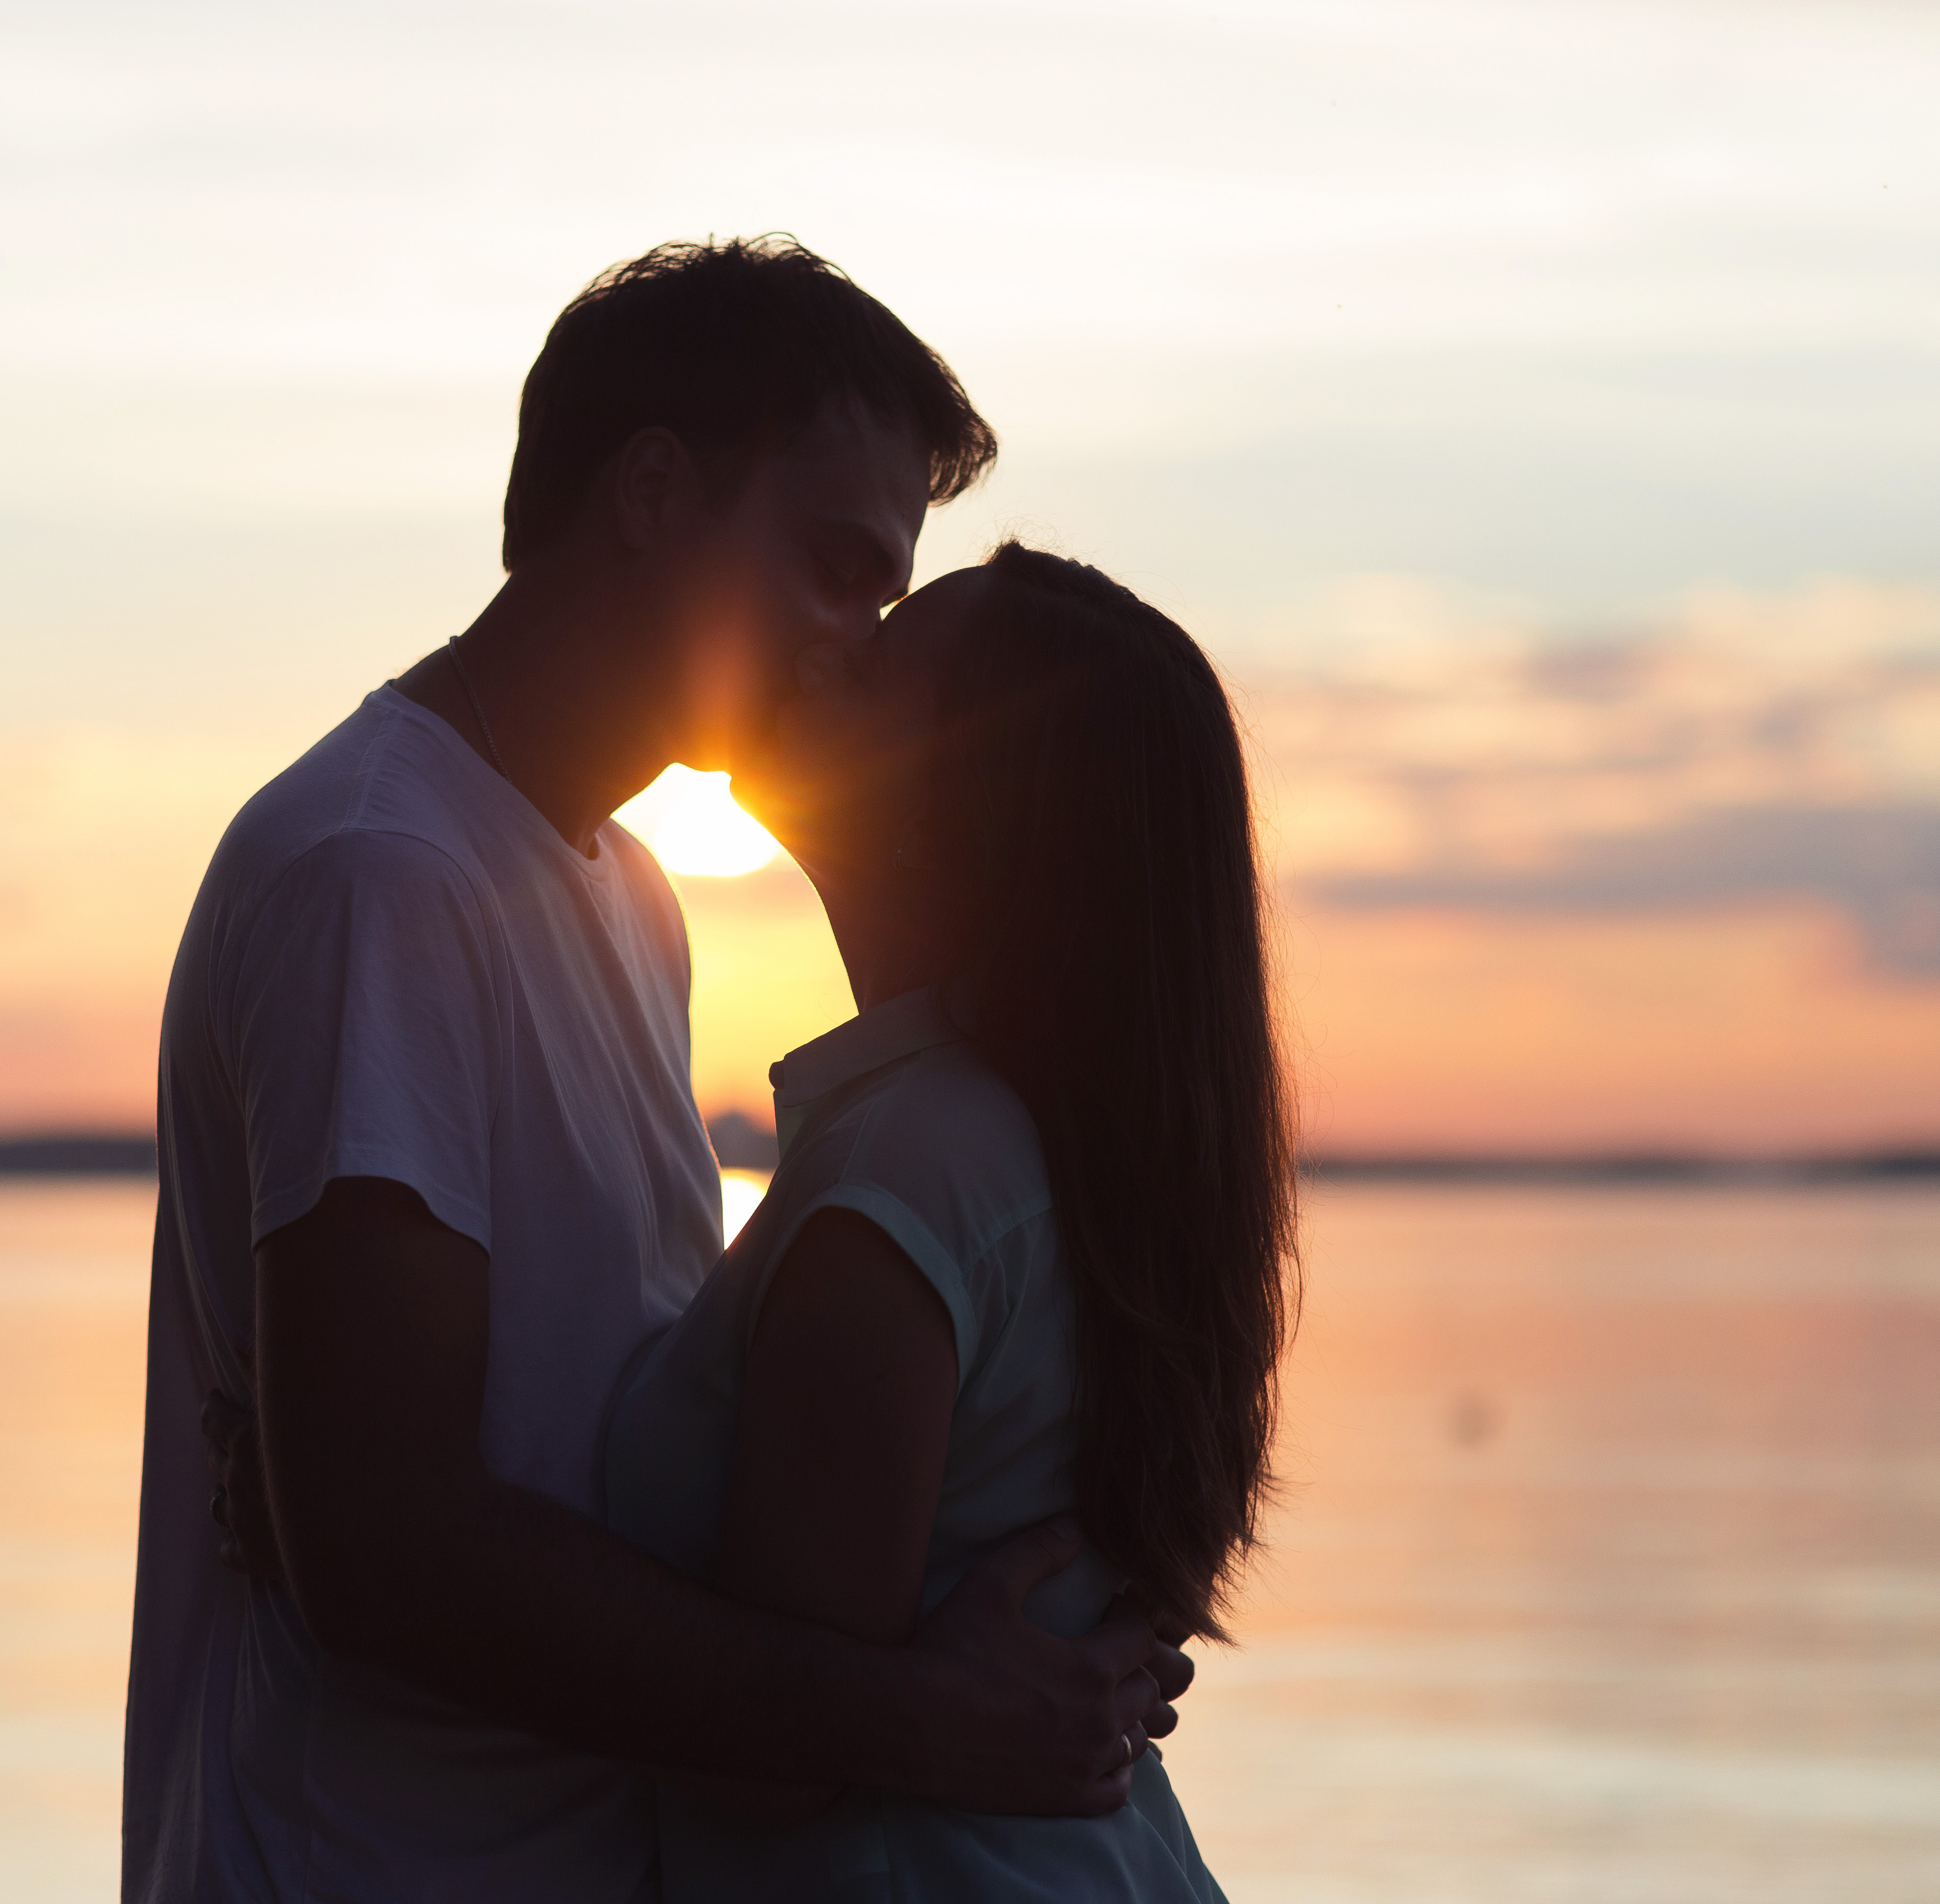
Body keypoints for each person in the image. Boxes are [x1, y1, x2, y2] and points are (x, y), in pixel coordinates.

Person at [123, 239, 1187, 1904]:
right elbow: (386, 1552)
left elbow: (585, 1432)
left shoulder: (632, 895)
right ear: (651, 491)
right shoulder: (377, 875)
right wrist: (919, 1718)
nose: (860, 641)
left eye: (891, 600)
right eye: (837, 568)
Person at [602, 543, 1295, 1900]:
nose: (823, 649)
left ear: (969, 799)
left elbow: (771, 1753)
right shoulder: (1051, 1154)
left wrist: (394, 1561)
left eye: (881, 660)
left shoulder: (910, 1173)